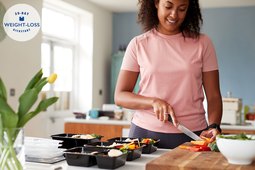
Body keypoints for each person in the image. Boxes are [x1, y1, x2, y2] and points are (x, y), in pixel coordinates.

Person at [114, 0, 222, 149]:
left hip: (193, 135)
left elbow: (214, 96)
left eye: (182, 9)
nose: (174, 14)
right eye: (168, 6)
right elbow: (120, 96)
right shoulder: (138, 44)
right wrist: (153, 102)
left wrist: (214, 125)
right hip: (145, 134)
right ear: (156, 3)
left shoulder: (203, 43)